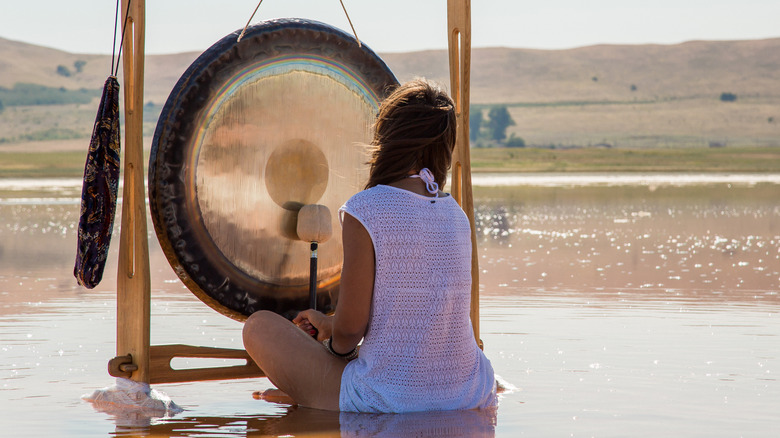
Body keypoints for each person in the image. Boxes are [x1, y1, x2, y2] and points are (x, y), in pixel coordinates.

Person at [242, 78, 497, 413]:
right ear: (445, 148)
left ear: (386, 139)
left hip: (390, 400)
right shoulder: (456, 213)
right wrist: (329, 324)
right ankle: (310, 391)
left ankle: (311, 397)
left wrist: (330, 350)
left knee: (259, 326)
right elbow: (415, 322)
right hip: (470, 392)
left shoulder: (366, 209)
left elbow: (350, 331)